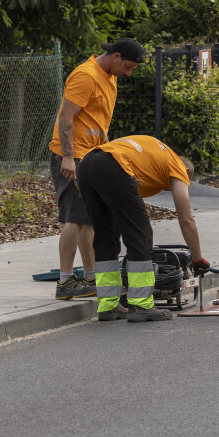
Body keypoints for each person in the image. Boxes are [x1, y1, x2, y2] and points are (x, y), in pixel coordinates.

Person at [48, 37, 145, 300]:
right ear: (115, 56)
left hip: (92, 156)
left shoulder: (109, 76)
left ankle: (91, 278)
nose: (128, 73)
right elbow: (66, 117)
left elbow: (98, 124)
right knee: (73, 218)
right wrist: (68, 158)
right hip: (72, 155)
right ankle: (65, 282)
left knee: (90, 218)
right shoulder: (86, 76)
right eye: (128, 67)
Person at [77, 135, 209, 322]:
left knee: (106, 236)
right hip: (114, 164)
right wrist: (197, 259)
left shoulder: (154, 158)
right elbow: (186, 220)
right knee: (141, 236)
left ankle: (108, 305)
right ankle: (141, 305)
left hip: (86, 165)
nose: (171, 189)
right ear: (186, 171)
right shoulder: (177, 166)